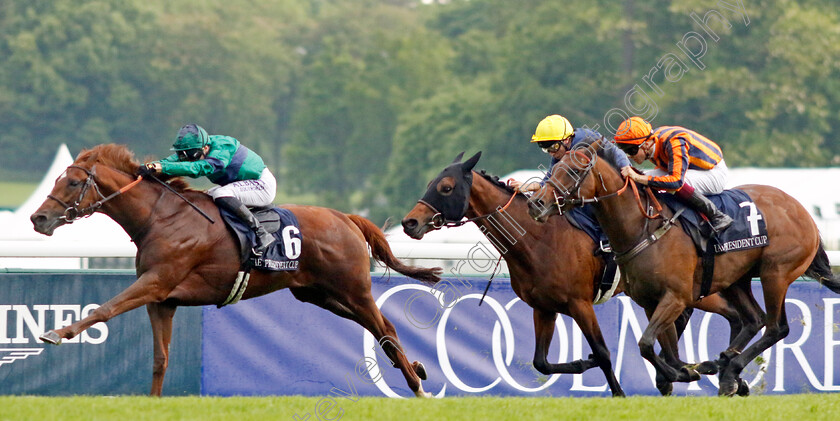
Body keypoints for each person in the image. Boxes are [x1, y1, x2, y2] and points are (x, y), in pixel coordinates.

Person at [139, 123, 277, 254]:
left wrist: (162, 168)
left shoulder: (223, 146)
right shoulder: (195, 148)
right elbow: (167, 162)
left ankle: (261, 232)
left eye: (192, 155)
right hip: (240, 185)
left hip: (261, 184)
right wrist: (147, 167)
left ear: (205, 148)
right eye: (183, 155)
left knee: (220, 193)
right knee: (201, 198)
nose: (188, 159)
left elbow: (201, 168)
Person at [613, 116, 733, 231]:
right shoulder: (651, 145)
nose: (629, 156)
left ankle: (717, 216)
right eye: (624, 151)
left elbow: (676, 181)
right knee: (640, 175)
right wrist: (639, 177)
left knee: (667, 182)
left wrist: (640, 178)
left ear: (646, 144)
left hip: (713, 172)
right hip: (691, 170)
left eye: (631, 150)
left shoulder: (674, 142)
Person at [509, 114, 632, 192]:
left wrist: (626, 169)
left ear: (566, 140)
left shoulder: (588, 139)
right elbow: (550, 181)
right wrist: (528, 186)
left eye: (553, 147)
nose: (552, 153)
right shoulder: (560, 153)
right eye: (547, 150)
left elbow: (616, 152)